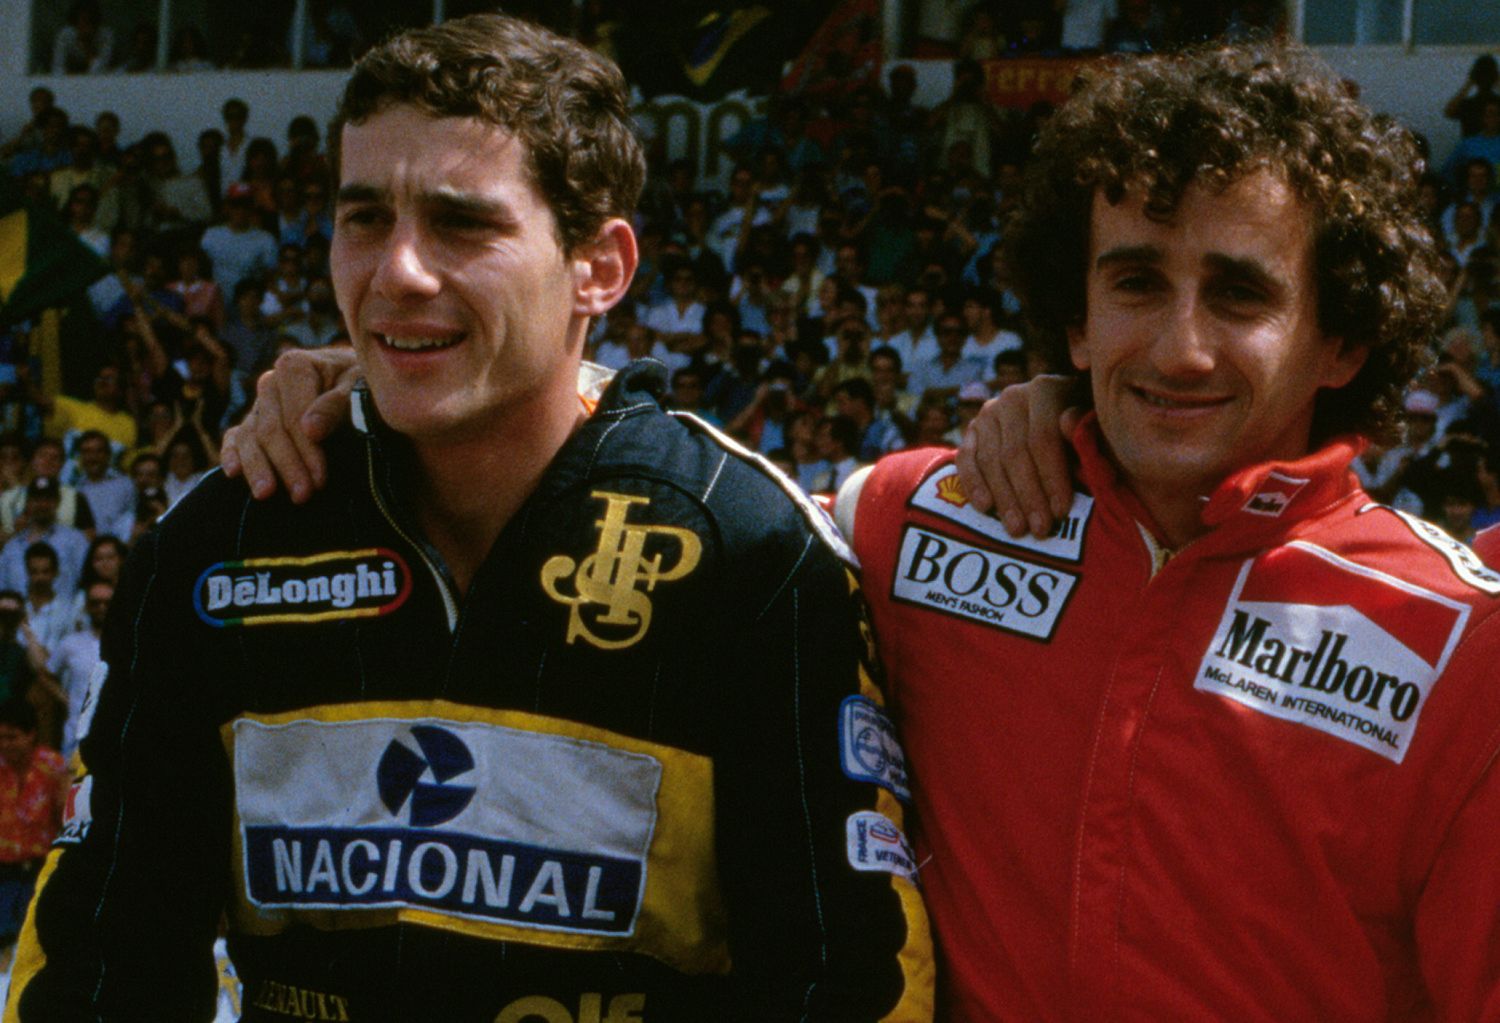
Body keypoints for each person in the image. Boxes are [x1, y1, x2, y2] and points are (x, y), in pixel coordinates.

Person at [11, 15, 932, 1021]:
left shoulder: (746, 550)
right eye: (365, 218)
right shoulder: (220, 544)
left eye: (462, 224)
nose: (397, 272)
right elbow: (100, 963)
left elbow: (843, 977)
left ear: (600, 267)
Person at [892, 44, 1499, 1018]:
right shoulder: (912, 524)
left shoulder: (1463, 646)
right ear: (1078, 321)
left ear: (1342, 340)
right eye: (1136, 283)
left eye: (1239, 294)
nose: (1180, 349)